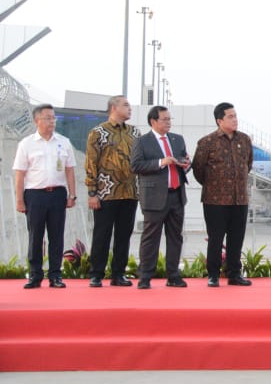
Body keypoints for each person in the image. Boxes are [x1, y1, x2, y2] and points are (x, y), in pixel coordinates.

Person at [12, 103, 77, 289]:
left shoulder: (63, 142)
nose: (52, 121)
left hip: (57, 193)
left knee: (56, 235)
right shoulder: (26, 144)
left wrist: (72, 195)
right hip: (35, 195)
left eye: (53, 117)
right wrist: (19, 199)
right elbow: (20, 174)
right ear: (37, 121)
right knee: (36, 236)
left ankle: (55, 275)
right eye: (47, 118)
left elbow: (70, 170)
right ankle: (35, 275)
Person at [192, 102, 254, 287]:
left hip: (239, 199)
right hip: (215, 200)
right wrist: (214, 185)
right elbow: (198, 169)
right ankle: (213, 274)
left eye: (235, 116)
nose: (235, 120)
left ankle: (234, 274)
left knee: (236, 238)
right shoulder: (207, 142)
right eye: (230, 117)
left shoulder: (244, 140)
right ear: (219, 120)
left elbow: (248, 164)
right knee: (216, 238)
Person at [131, 106, 191, 289]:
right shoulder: (142, 141)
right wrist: (161, 162)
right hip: (154, 197)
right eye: (164, 119)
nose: (168, 122)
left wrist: (186, 164)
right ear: (153, 121)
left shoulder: (177, 139)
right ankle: (145, 277)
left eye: (169, 119)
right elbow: (136, 166)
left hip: (176, 194)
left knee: (175, 237)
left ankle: (173, 275)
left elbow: (185, 163)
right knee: (151, 238)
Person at [85, 95, 138, 287]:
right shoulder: (98, 132)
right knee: (102, 233)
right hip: (106, 191)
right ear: (113, 108)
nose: (130, 108)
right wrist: (92, 192)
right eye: (126, 105)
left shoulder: (134, 132)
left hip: (130, 191)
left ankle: (118, 273)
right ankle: (96, 273)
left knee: (124, 235)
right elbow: (91, 163)